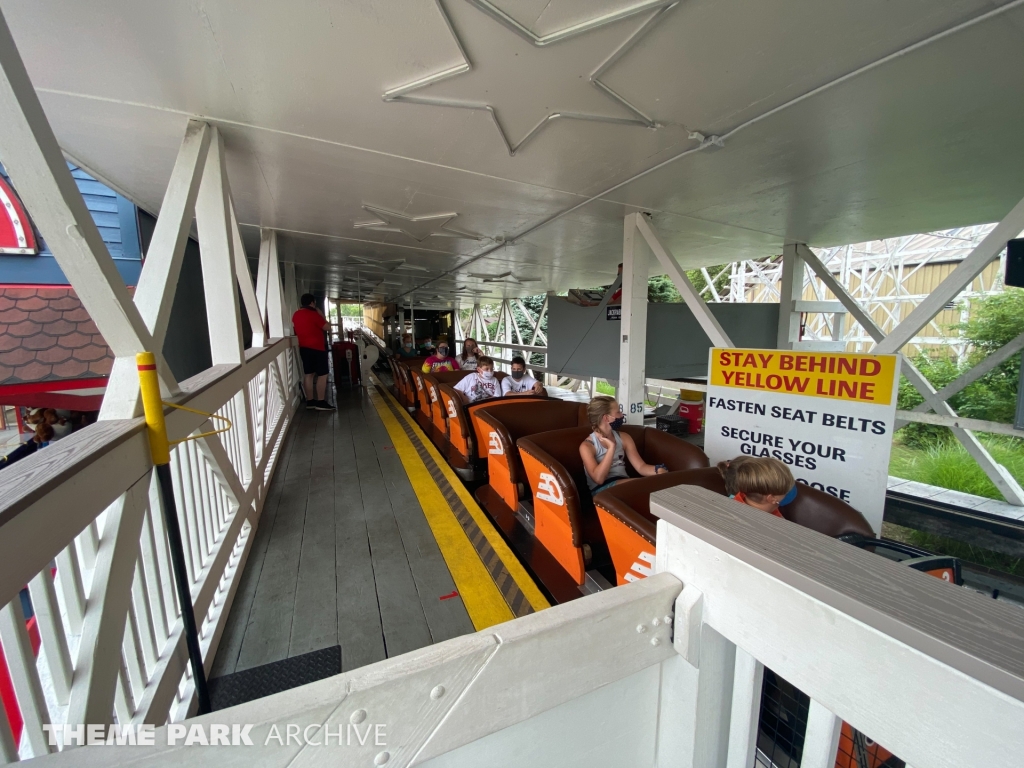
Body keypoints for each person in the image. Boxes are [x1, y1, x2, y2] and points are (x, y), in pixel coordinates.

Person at [580, 395, 667, 494]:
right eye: (618, 412)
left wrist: (658, 470)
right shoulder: (587, 446)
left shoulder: (624, 437)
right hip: (601, 491)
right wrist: (611, 448)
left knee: (654, 485)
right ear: (606, 418)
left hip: (623, 483)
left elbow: (641, 467)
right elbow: (599, 479)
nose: (621, 415)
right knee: (642, 485)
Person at [291, 293, 335, 411]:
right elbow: (327, 327)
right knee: (323, 374)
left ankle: (310, 401)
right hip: (317, 348)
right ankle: (320, 401)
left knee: (308, 374)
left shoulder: (296, 315)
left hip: (303, 348)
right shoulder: (313, 314)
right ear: (312, 302)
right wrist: (321, 314)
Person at [716, 456, 796, 518]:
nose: (788, 492)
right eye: (786, 491)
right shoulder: (766, 523)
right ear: (771, 498)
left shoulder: (739, 497)